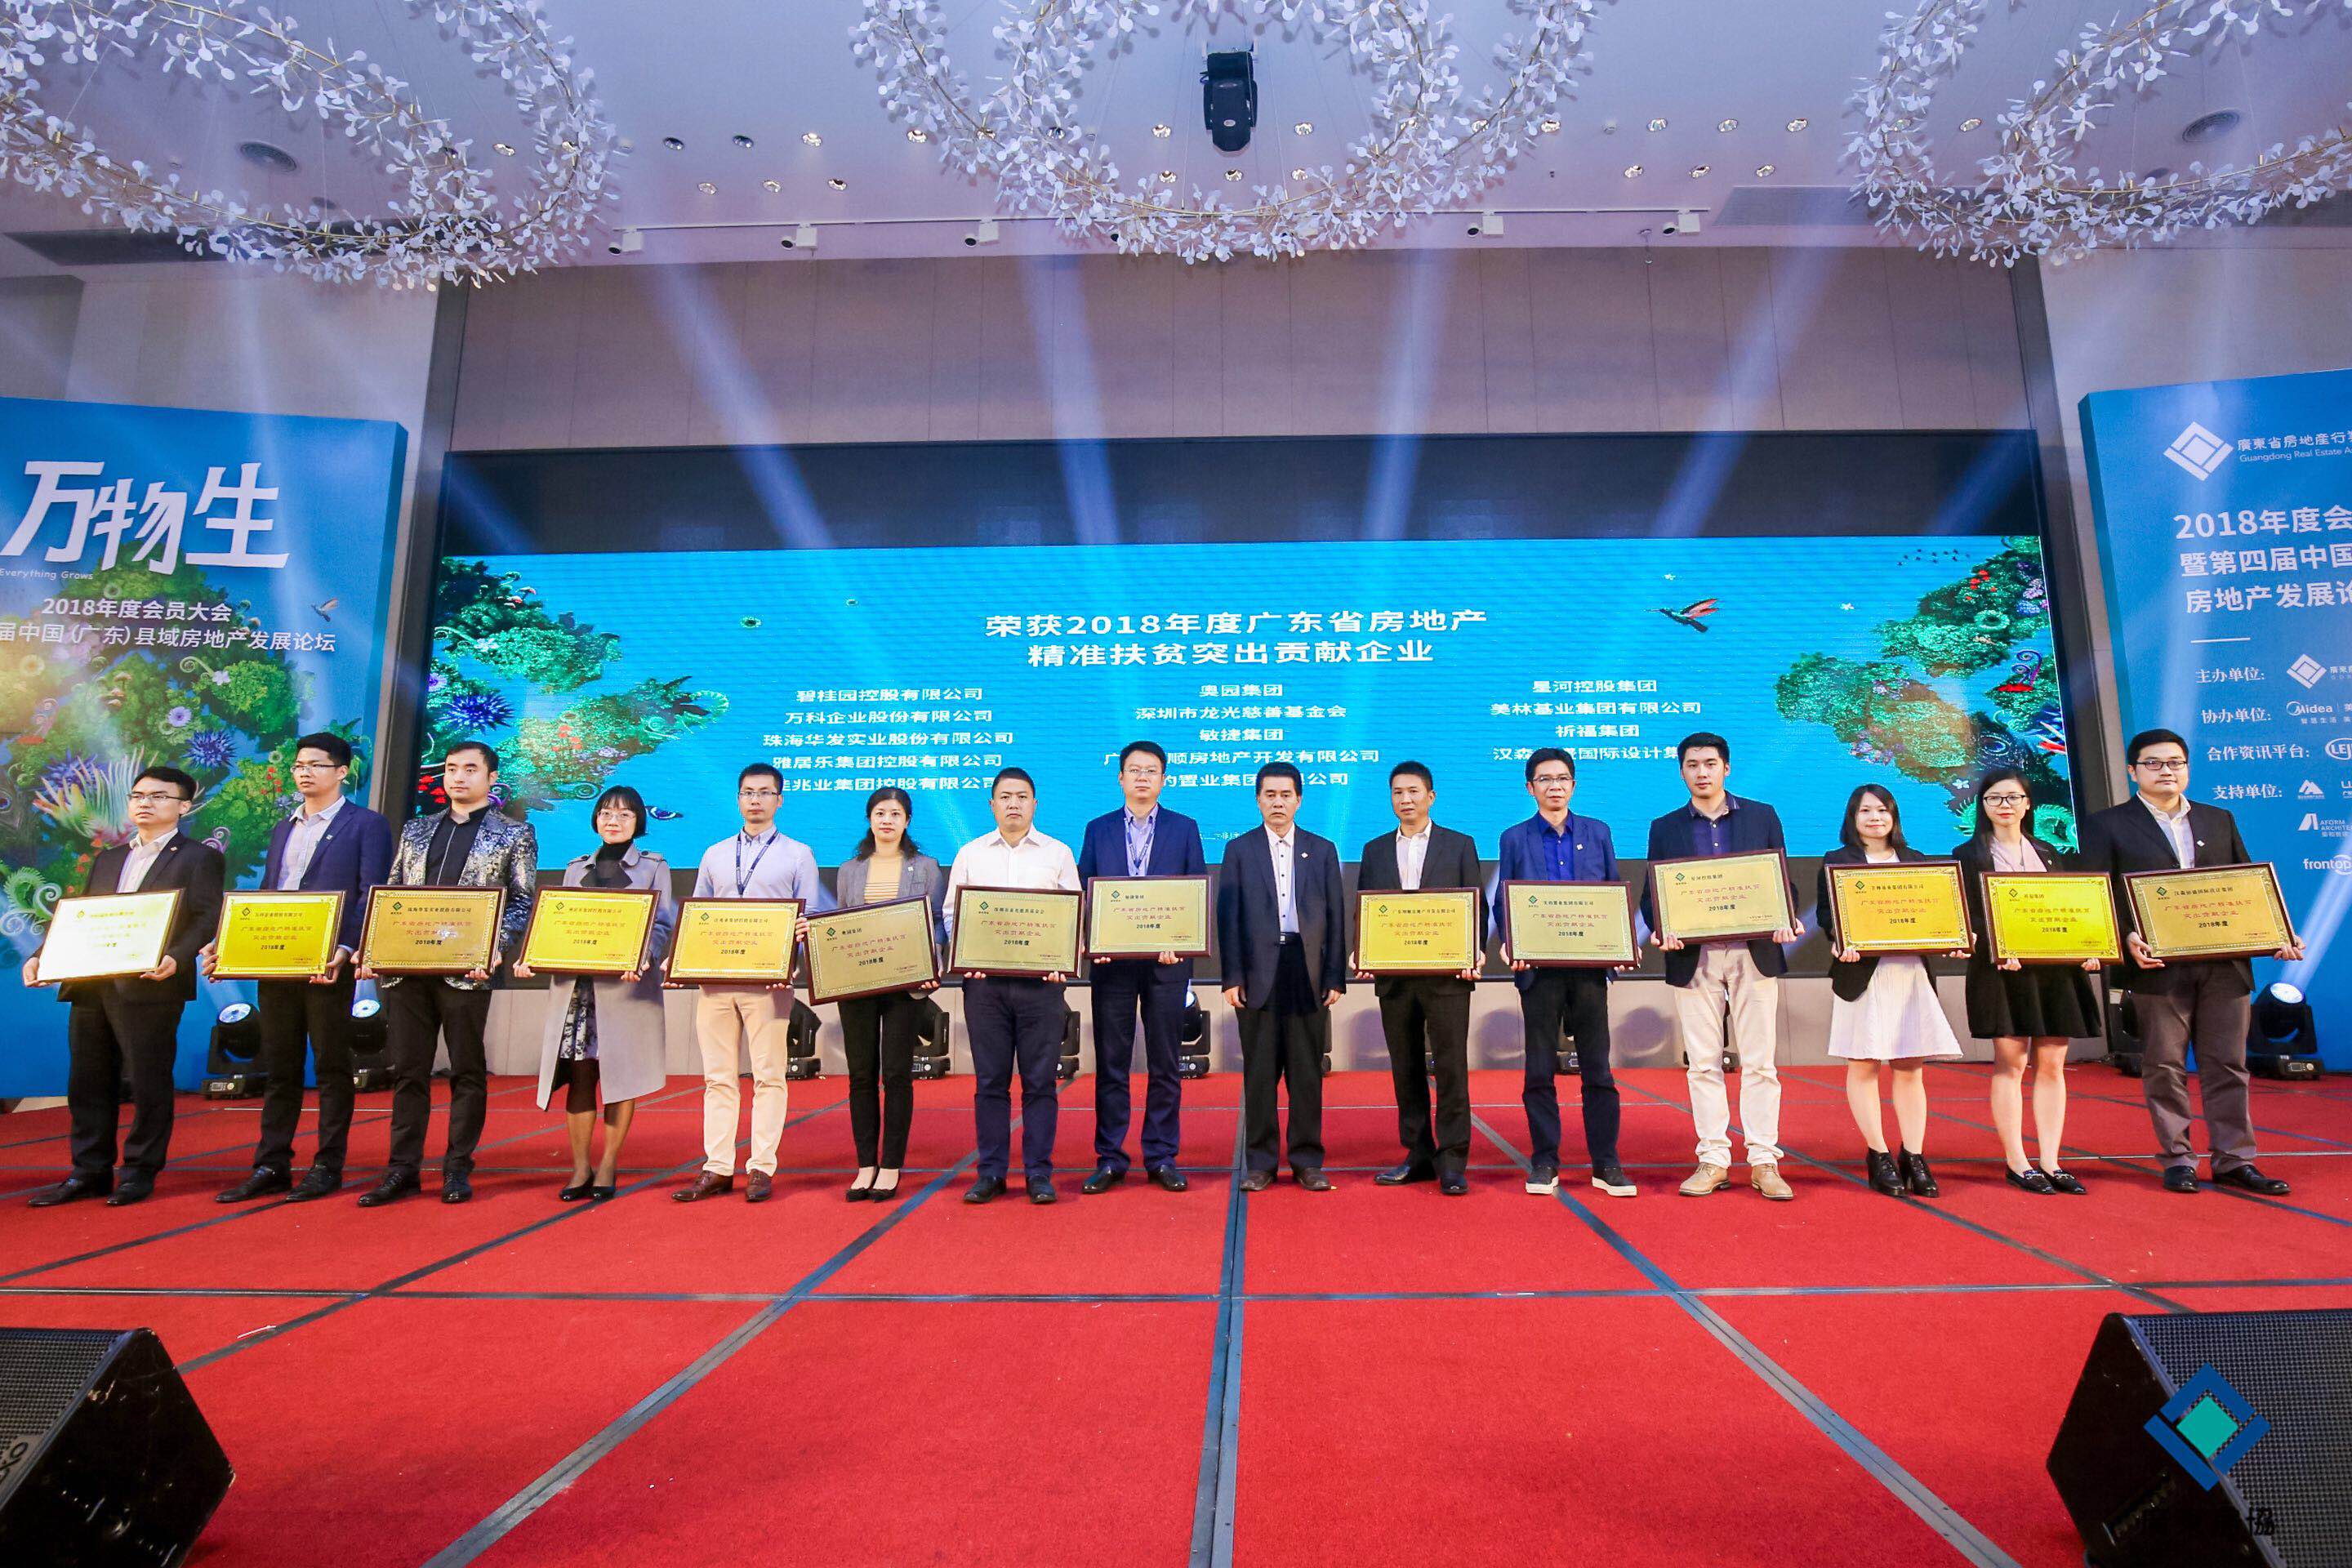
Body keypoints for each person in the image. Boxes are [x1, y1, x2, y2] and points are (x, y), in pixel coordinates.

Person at [2078, 728, 2302, 1196]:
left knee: (2229, 1065)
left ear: (2187, 768)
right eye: (2154, 763)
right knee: (2164, 1065)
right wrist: (2126, 936)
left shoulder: (2219, 819)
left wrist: (2276, 934)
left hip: (2224, 965)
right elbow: (2096, 894)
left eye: (2176, 762)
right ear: (2133, 771)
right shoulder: (2107, 825)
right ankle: (2178, 1158)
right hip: (2157, 966)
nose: (2166, 771)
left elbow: (2246, 886)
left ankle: (2235, 1160)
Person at [22, 765, 225, 1208]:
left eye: (158, 796)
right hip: (92, 983)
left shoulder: (198, 857)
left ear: (184, 807)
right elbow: (82, 917)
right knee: (88, 1081)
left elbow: (207, 916)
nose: (145, 803)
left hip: (152, 983)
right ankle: (88, 1171)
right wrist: (42, 955)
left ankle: (139, 1171)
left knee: (148, 1080)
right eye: (137, 795)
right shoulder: (109, 858)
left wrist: (178, 956)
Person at [210, 733, 394, 1205]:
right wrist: (232, 946)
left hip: (328, 963)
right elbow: (269, 891)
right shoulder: (283, 827)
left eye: (316, 764)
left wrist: (348, 947)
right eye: (298, 765)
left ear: (342, 772)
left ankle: (328, 1165)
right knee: (279, 1066)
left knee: (332, 1066)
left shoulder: (366, 824)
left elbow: (370, 891)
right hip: (278, 962)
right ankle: (271, 1164)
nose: (304, 772)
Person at [358, 741, 535, 1206]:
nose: (458, 777)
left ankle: (457, 1167)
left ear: (491, 778)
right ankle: (402, 1169)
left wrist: (495, 947)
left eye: (470, 769)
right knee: (408, 1071)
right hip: (408, 969)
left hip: (468, 968)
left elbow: (521, 901)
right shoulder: (416, 829)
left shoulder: (514, 833)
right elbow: (392, 892)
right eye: (452, 768)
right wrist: (376, 948)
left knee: (467, 1068)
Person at [1645, 732, 1802, 1201]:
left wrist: (1785, 915)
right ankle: (1713, 1159)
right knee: (1702, 1064)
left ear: (1726, 768)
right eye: (1692, 765)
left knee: (1760, 1063)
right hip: (1694, 957)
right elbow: (1656, 892)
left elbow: (1780, 879)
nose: (1702, 772)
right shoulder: (1665, 826)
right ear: (1681, 772)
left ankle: (1764, 1161)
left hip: (1754, 951)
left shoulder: (1762, 815)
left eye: (1710, 764)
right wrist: (1662, 927)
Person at [675, 763, 828, 1205]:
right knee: (718, 1077)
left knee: (769, 1076)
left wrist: (796, 952)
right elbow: (699, 914)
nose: (755, 800)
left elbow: (812, 917)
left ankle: (761, 1165)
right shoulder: (715, 853)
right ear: (739, 799)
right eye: (748, 792)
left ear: (779, 800)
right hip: (716, 982)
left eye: (764, 792)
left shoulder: (798, 854)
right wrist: (683, 959)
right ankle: (717, 1166)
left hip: (770, 983)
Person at [512, 786, 675, 1201]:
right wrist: (532, 956)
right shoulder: (575, 868)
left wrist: (643, 956)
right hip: (577, 990)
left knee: (622, 1077)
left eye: (624, 814)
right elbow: (557, 924)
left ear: (639, 821)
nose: (613, 821)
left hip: (626, 990)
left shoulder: (655, 867)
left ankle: (608, 1165)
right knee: (580, 1076)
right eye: (605, 813)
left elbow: (661, 924)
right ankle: (580, 1167)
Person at [1492, 747, 1635, 1199]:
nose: (1554, 786)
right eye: (1545, 779)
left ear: (1574, 785)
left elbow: (1612, 892)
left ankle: (1606, 1162)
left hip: (1589, 971)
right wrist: (1512, 942)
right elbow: (1504, 899)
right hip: (1539, 971)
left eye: (1562, 779)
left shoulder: (1598, 832)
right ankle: (1544, 1160)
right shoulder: (1514, 838)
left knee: (1598, 1070)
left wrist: (1619, 943)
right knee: (1539, 1069)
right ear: (1530, 788)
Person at [1951, 768, 2101, 1195]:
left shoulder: (2051, 852)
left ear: (2028, 804)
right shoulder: (1965, 855)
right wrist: (1994, 944)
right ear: (1983, 806)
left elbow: (2075, 908)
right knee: (2011, 1064)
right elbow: (1965, 916)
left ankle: (2051, 1161)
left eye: (2014, 797)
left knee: (2052, 1065)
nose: (2005, 805)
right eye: (1995, 798)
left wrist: (2093, 944)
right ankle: (2017, 1161)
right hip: (2002, 972)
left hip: (2056, 973)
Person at [1815, 785, 1965, 1200]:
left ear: (1894, 816)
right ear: (1853, 817)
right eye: (1865, 811)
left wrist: (1952, 936)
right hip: (1861, 974)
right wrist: (1838, 939)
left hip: (1910, 972)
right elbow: (1828, 915)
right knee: (1864, 1064)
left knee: (1910, 1066)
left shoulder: (1917, 861)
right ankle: (1878, 1154)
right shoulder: (1837, 861)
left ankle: (1914, 1155)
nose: (1875, 818)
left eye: (1882, 810)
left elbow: (1938, 912)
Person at [1076, 740, 1207, 1195]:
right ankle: (1110, 1158)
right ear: (1121, 778)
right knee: (1112, 1063)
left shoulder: (1184, 828)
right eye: (1134, 770)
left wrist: (1182, 944)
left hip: (1167, 965)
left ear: (1164, 779)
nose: (1143, 777)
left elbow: (1195, 893)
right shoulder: (1098, 829)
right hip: (1112, 966)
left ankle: (1161, 1156)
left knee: (1166, 1064)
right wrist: (1094, 941)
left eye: (1151, 770)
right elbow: (1086, 892)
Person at [945, 767, 1080, 1205]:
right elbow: (951, 914)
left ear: (1034, 803)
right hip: (985, 987)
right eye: (1005, 797)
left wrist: (1063, 960)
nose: (1014, 804)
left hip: (1042, 988)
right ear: (992, 805)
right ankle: (991, 1172)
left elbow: (1073, 915)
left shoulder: (1058, 853)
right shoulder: (971, 853)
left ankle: (1039, 1173)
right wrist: (968, 957)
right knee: (990, 1082)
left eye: (1022, 796)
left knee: (1040, 1082)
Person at [1217, 760, 1346, 1192]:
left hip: (1307, 971)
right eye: (1269, 795)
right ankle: (1261, 1163)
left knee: (1307, 1073)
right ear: (1258, 800)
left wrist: (1335, 976)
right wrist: (1232, 977)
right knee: (1260, 1074)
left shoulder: (1322, 849)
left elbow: (1336, 916)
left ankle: (1307, 1161)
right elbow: (1228, 919)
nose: (1278, 802)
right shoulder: (1239, 850)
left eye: (1285, 795)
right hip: (1258, 974)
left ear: (1299, 800)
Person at [1356, 761, 1481, 1196]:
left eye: (1413, 791)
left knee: (1450, 1067)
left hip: (1447, 976)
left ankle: (1453, 1160)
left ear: (1431, 796)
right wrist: (1363, 950)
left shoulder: (1459, 845)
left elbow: (1475, 906)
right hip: (1395, 978)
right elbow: (1366, 908)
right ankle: (1418, 1154)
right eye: (1397, 792)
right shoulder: (1374, 850)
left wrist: (1472, 952)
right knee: (1405, 1067)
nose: (1405, 799)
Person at [830, 786, 947, 1203]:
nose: (887, 820)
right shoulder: (849, 869)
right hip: (857, 986)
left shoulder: (927, 867)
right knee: (861, 1075)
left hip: (904, 987)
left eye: (896, 814)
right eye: (880, 813)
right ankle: (866, 1164)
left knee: (897, 1075)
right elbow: (841, 924)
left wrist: (933, 964)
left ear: (907, 821)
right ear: (870, 818)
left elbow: (937, 924)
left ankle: (892, 1164)